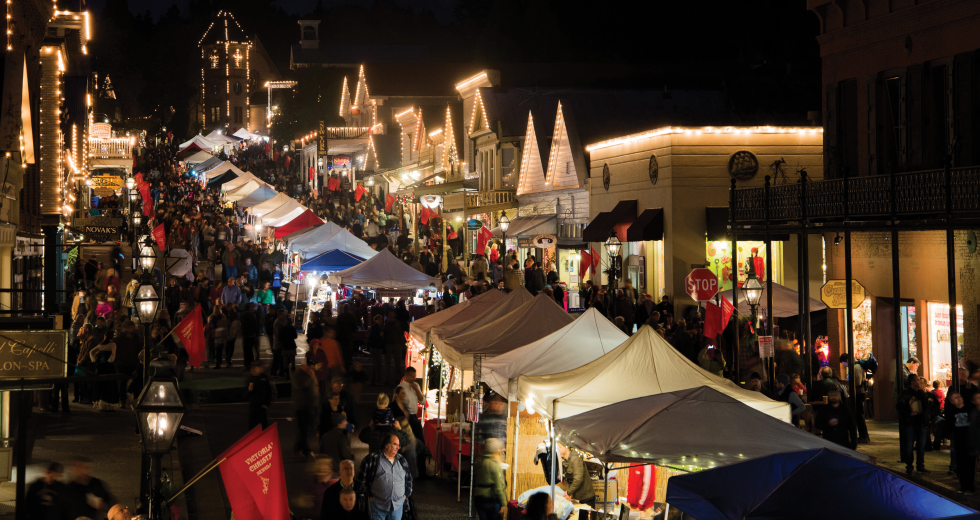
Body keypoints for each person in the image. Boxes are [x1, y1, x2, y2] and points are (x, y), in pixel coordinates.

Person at [358, 433, 413, 520]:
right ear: (386, 445)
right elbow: (361, 481)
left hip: (397, 507)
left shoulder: (402, 460)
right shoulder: (372, 459)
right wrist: (369, 497)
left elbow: (409, 479)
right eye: (395, 444)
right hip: (377, 506)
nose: (398, 448)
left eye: (398, 445)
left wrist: (406, 495)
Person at [897, 375, 930, 475]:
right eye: (917, 380)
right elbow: (899, 407)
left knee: (921, 446)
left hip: (921, 423)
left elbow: (927, 407)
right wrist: (909, 413)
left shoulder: (922, 393)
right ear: (912, 382)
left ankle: (920, 466)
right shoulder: (906, 393)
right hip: (910, 423)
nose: (920, 382)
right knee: (909, 446)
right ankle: (909, 466)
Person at [944, 392, 974, 494]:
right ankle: (963, 486)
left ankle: (970, 487)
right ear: (952, 402)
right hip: (959, 442)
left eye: (959, 396)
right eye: (955, 398)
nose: (959, 398)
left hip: (969, 441)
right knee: (961, 464)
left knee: (969, 465)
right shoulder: (953, 412)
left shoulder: (970, 409)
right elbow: (951, 427)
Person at [473, 438, 508, 520]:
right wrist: (503, 503)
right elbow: (499, 486)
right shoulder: (494, 464)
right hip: (491, 499)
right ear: (494, 450)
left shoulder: (479, 460)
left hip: (478, 498)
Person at [839, 353, 870, 442]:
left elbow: (857, 382)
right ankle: (863, 435)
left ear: (847, 360)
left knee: (858, 414)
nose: (844, 365)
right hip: (858, 393)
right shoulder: (856, 366)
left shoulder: (856, 367)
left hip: (858, 393)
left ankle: (863, 436)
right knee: (858, 414)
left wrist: (845, 382)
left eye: (844, 363)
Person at [293, 363, 320, 460]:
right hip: (302, 407)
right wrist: (310, 376)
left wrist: (316, 402)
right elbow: (301, 385)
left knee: (306, 430)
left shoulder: (310, 374)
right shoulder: (298, 375)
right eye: (309, 366)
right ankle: (307, 451)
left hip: (310, 406)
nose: (310, 368)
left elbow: (315, 388)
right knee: (304, 430)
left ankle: (297, 448)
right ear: (303, 365)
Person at [558, 443, 595, 508]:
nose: (558, 449)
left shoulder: (575, 458)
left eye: (560, 446)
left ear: (566, 448)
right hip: (578, 498)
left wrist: (568, 492)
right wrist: (567, 493)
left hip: (586, 499)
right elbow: (569, 480)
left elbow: (578, 479)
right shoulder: (567, 461)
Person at [396, 367, 425, 439]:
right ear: (406, 376)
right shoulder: (400, 387)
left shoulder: (416, 386)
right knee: (408, 438)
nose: (414, 378)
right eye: (412, 377)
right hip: (405, 417)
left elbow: (423, 401)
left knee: (419, 437)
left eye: (415, 376)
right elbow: (396, 403)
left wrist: (417, 390)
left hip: (414, 416)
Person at [247, 362, 272, 429]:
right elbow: (247, 394)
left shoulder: (264, 378)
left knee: (263, 425)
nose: (253, 370)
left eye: (256, 368)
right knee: (252, 425)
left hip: (262, 406)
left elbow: (269, 391)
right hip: (253, 405)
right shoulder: (251, 379)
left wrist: (266, 404)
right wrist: (249, 389)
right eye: (252, 368)